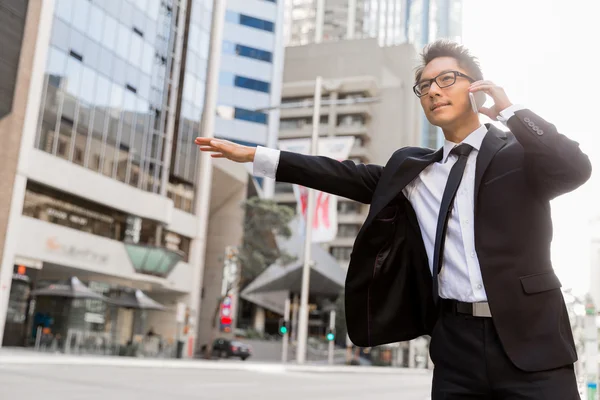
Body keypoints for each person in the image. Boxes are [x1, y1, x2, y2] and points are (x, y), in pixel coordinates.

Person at [195, 40, 591, 399]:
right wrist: (256, 156)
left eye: (446, 79)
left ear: (476, 86)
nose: (434, 90)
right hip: (457, 347)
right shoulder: (414, 171)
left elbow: (574, 167)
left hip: (532, 341)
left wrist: (509, 111)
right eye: (425, 86)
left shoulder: (520, 154)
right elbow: (341, 173)